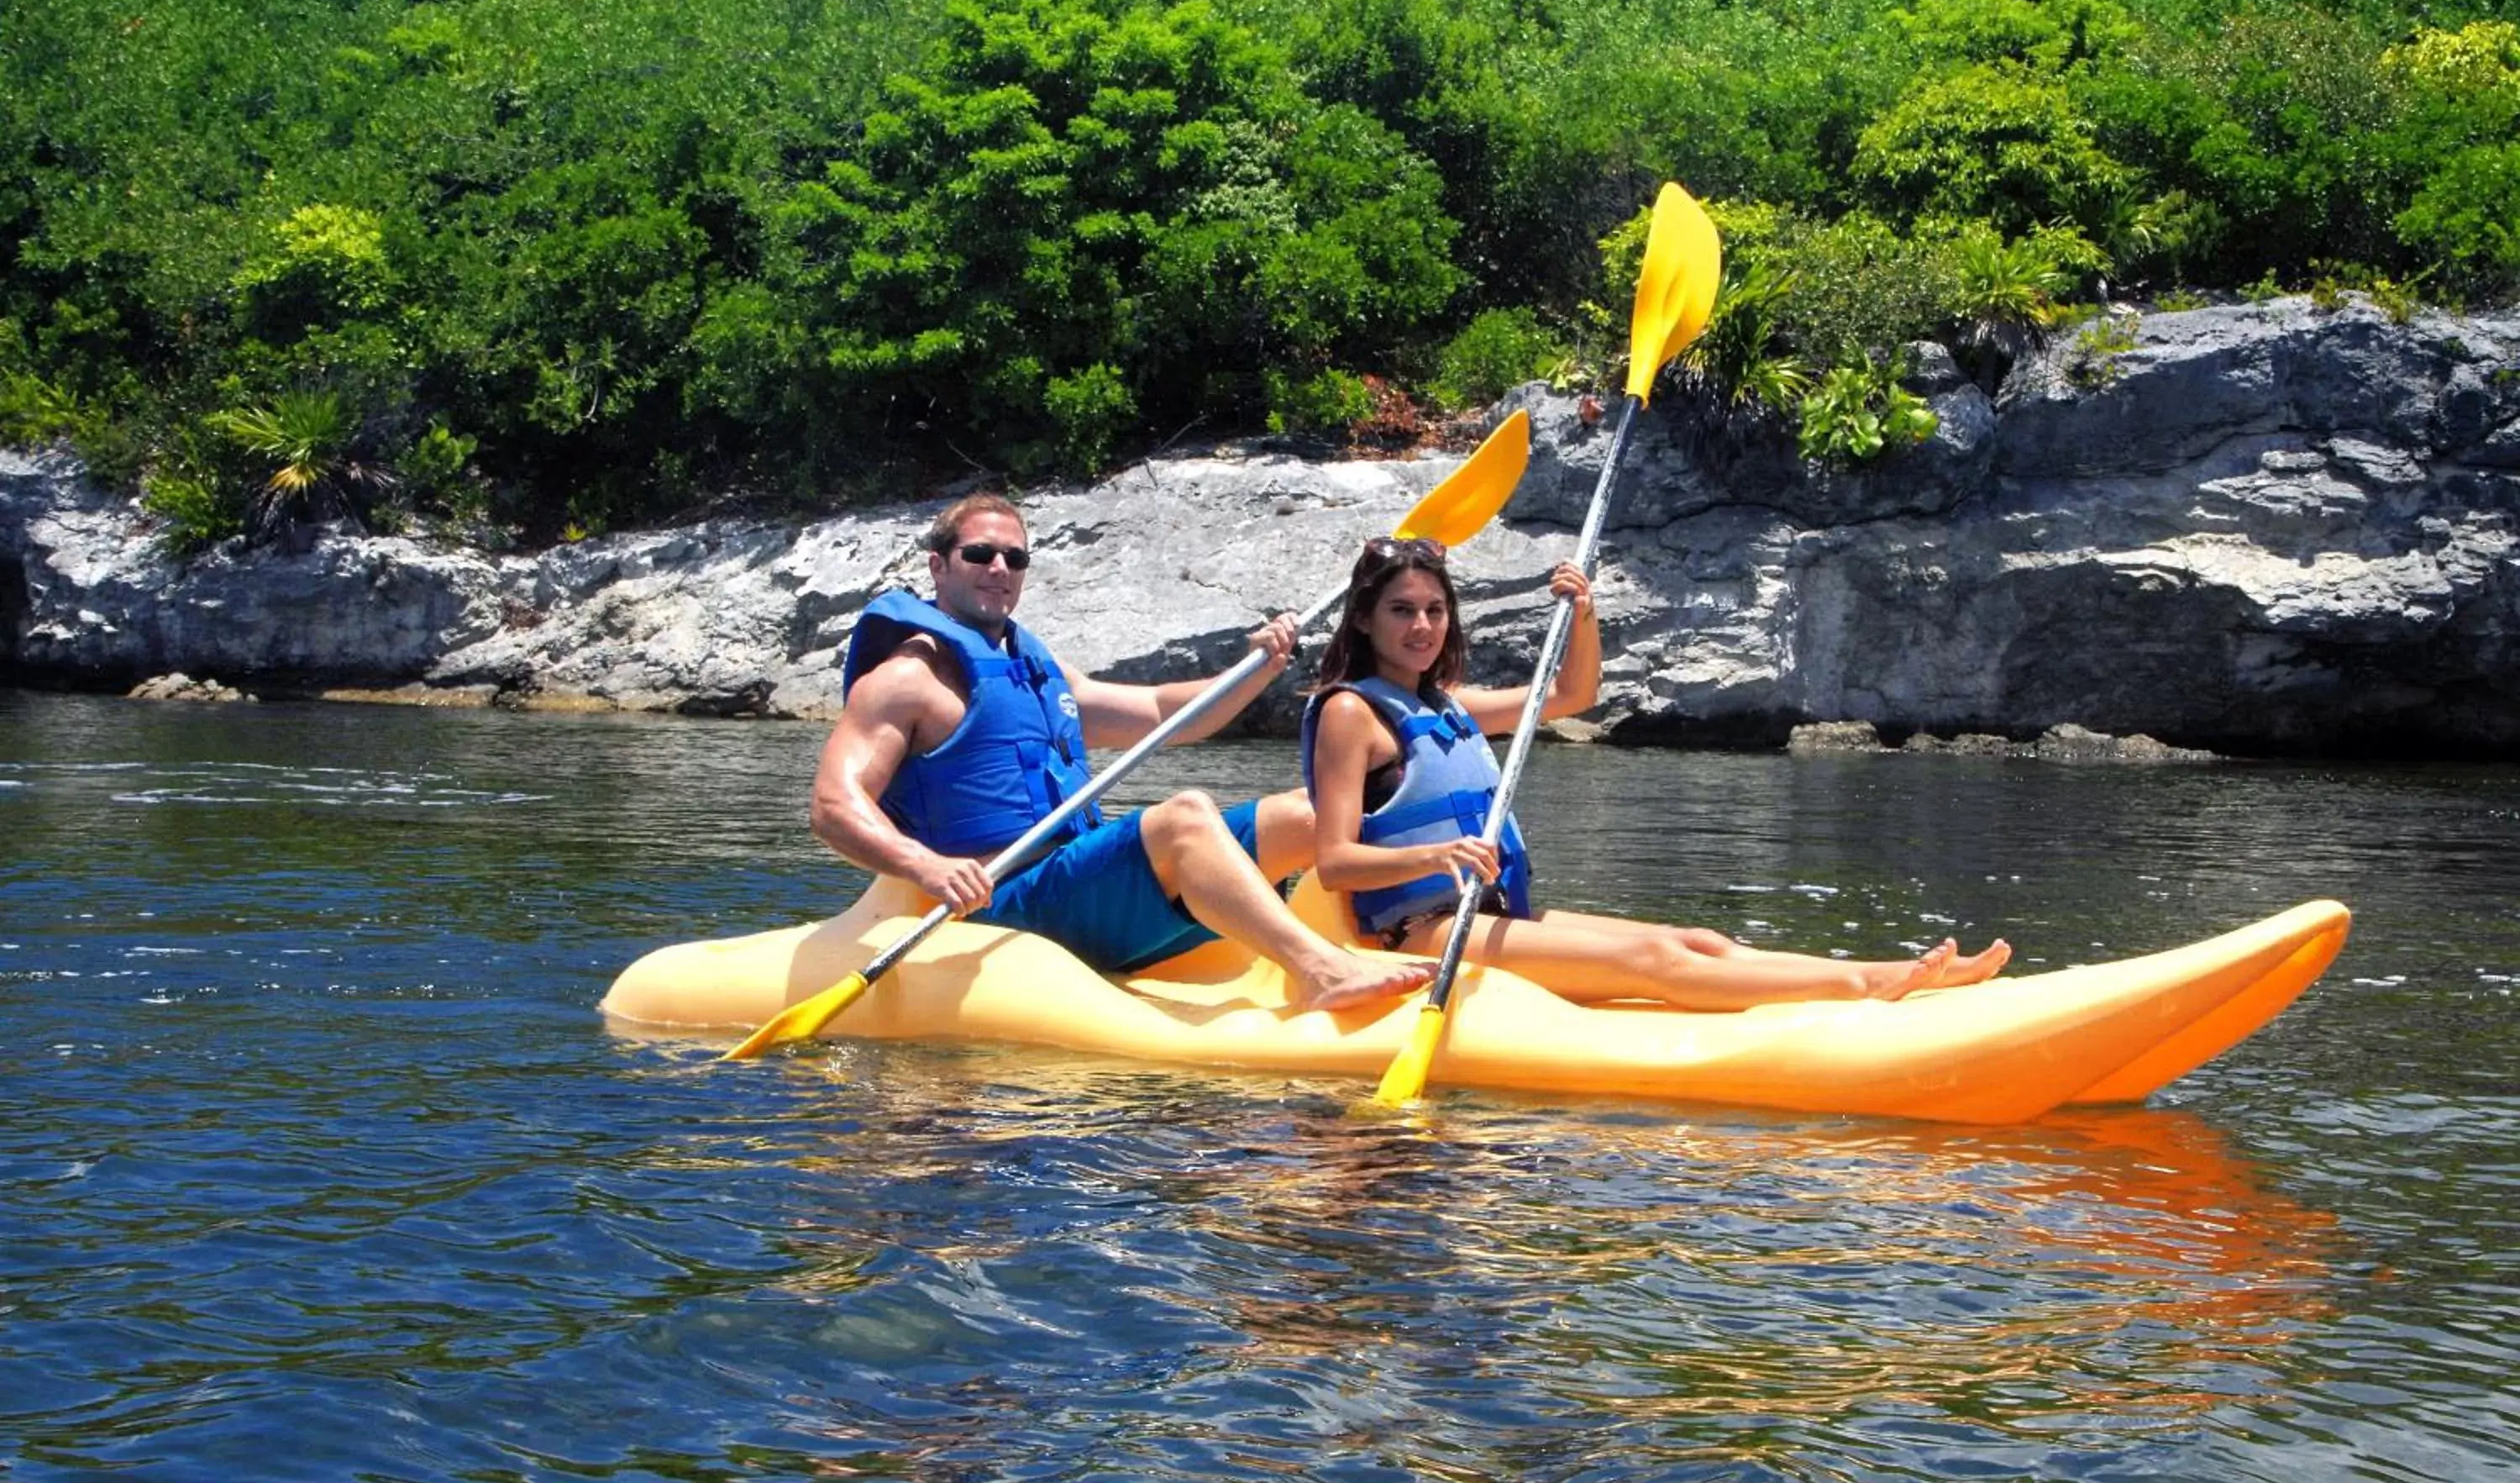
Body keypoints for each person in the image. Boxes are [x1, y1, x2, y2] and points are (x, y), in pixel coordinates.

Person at [1299, 537, 2011, 1007]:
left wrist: (1583, 614)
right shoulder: (1350, 715)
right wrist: (1438, 853)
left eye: (1434, 610)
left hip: (1489, 912)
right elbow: (1334, 865)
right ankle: (1872, 984)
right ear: (1363, 620)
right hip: (1420, 933)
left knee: (1694, 941)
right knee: (1649, 958)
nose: (1423, 627)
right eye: (1401, 611)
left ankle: (1864, 970)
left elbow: (1571, 697)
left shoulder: (1446, 704)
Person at [811, 492, 1431, 1012]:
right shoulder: (905, 678)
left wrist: (1260, 667)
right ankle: (1320, 971)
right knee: (1184, 816)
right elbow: (835, 806)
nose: (999, 567)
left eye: (1015, 556)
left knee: (1313, 814)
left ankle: (1413, 938)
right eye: (980, 553)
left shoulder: (1037, 671)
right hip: (1007, 906)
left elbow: (1167, 713)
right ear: (939, 567)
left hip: (1077, 884)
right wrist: (924, 867)